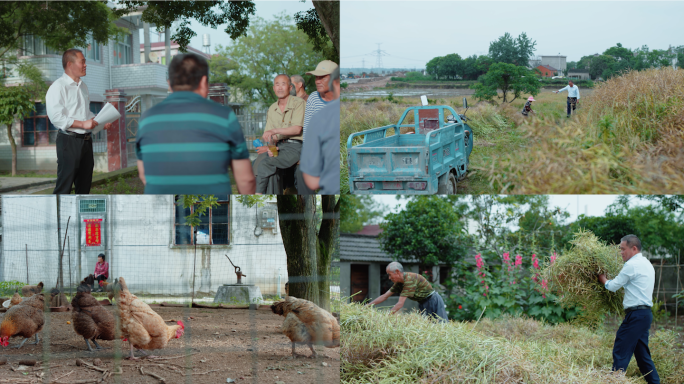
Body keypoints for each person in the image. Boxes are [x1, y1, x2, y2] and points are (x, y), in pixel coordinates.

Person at [136, 53, 256, 194]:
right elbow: (246, 180)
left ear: (169, 84)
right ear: (204, 82)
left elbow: (144, 175)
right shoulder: (224, 117)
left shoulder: (146, 119)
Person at [47, 49, 113, 194]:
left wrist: (99, 122)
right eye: (82, 62)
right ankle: (58, 217)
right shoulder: (58, 87)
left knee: (84, 187)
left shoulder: (83, 86)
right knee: (64, 186)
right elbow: (56, 117)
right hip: (68, 141)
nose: (85, 65)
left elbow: (85, 113)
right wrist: (83, 124)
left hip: (86, 142)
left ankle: (78, 217)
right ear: (70, 64)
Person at [598, 235, 660, 384]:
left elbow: (613, 286)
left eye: (623, 249)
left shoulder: (631, 265)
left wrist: (603, 279)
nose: (621, 252)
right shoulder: (647, 264)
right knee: (643, 356)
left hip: (636, 315)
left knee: (621, 348)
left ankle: (615, 380)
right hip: (644, 315)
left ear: (634, 248)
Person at [252, 74, 305, 194]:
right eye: (277, 84)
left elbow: (297, 129)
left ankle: (258, 194)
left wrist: (275, 131)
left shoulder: (298, 103)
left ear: (290, 87)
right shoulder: (272, 108)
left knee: (266, 163)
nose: (280, 87)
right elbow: (271, 137)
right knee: (257, 163)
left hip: (295, 147)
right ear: (273, 88)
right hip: (280, 147)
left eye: (283, 84)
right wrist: (271, 148)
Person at [295, 60, 339, 194]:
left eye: (322, 77)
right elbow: (308, 130)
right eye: (316, 77)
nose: (317, 81)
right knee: (300, 172)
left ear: (335, 80)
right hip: (319, 152)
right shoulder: (313, 98)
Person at [366, 262, 448, 322]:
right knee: (428, 326)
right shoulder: (399, 283)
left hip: (433, 301)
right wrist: (368, 305)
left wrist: (385, 317)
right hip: (423, 303)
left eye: (390, 274)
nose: (389, 278)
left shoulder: (409, 280)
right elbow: (384, 296)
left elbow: (400, 304)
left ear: (397, 272)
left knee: (441, 325)